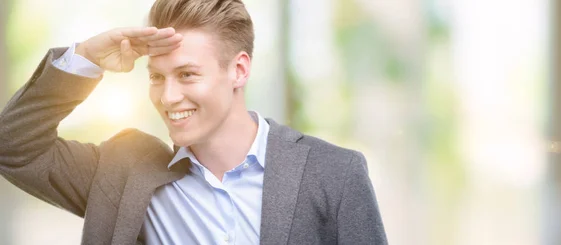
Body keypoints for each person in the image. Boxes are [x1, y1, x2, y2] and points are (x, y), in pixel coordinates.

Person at [0, 0, 387, 244]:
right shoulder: (122, 174)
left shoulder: (334, 174)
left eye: (187, 75)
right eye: (156, 76)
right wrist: (86, 57)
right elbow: (13, 146)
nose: (168, 97)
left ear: (238, 70)